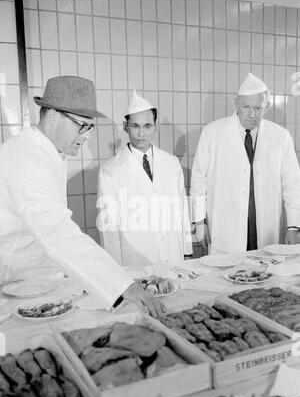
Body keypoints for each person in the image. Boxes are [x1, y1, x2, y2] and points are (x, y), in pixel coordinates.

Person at [0, 76, 163, 317]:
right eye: (81, 125)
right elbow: (59, 233)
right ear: (54, 117)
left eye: (90, 127)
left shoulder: (47, 152)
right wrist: (124, 286)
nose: (86, 135)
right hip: (15, 286)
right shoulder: (28, 160)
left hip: (36, 279)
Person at [190, 72, 300, 254]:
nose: (251, 114)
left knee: (263, 275)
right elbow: (198, 180)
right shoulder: (212, 133)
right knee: (223, 275)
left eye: (258, 108)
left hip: (265, 228)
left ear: (267, 107)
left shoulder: (281, 137)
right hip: (225, 227)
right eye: (246, 107)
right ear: (236, 104)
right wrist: (199, 222)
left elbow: (293, 185)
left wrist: (294, 226)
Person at [97, 90, 192, 266]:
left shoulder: (171, 163)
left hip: (173, 254)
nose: (141, 133)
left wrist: (186, 252)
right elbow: (109, 229)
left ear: (155, 127)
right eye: (135, 126)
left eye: (147, 126)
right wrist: (117, 271)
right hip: (135, 260)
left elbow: (182, 211)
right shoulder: (110, 171)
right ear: (126, 127)